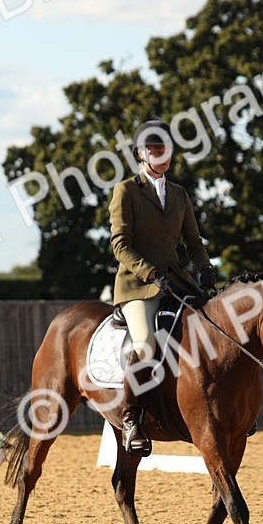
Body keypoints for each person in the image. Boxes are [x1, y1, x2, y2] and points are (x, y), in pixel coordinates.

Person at [109, 118, 217, 456]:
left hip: (176, 280)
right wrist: (150, 272)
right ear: (141, 154)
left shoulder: (180, 194)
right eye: (154, 150)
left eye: (165, 150)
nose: (161, 155)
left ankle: (221, 409)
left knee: (212, 331)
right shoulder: (126, 190)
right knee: (144, 345)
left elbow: (193, 243)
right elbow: (120, 245)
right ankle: (131, 420)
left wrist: (205, 268)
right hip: (138, 285)